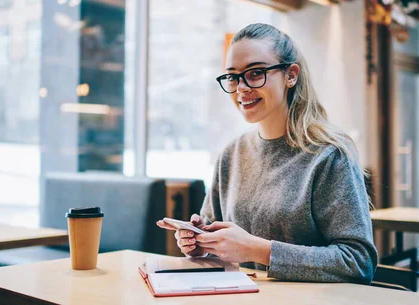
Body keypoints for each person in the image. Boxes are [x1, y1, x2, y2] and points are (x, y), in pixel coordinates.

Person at [157, 23, 377, 284]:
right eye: (233, 77)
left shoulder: (329, 155)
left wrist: (258, 250)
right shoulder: (231, 154)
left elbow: (358, 261)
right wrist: (200, 243)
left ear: (291, 75)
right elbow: (214, 233)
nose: (241, 88)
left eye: (256, 73)